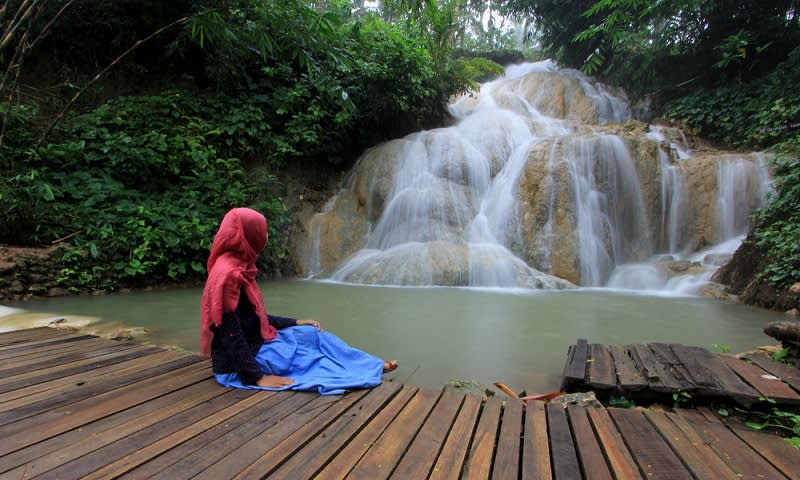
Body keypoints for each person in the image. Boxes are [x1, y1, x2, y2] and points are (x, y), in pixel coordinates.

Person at [200, 207, 398, 395]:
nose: (266, 236)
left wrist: (295, 322)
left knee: (312, 334)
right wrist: (257, 377)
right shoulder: (228, 276)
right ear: (248, 236)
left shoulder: (240, 267)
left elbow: (252, 318)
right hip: (239, 364)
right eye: (263, 231)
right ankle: (360, 370)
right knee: (307, 356)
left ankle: (370, 364)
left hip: (257, 344)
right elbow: (230, 334)